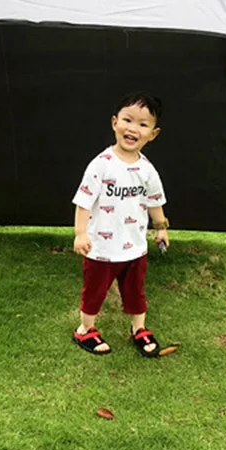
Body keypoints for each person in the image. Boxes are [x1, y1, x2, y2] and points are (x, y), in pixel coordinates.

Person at [71, 94, 170, 357]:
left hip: (135, 248)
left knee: (136, 292)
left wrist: (161, 227)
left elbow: (154, 201)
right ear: (115, 122)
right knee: (94, 293)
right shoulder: (101, 165)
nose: (133, 128)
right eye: (127, 120)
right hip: (100, 249)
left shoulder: (147, 169)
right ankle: (84, 330)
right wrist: (80, 234)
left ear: (153, 134)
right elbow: (83, 201)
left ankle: (139, 328)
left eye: (143, 124)